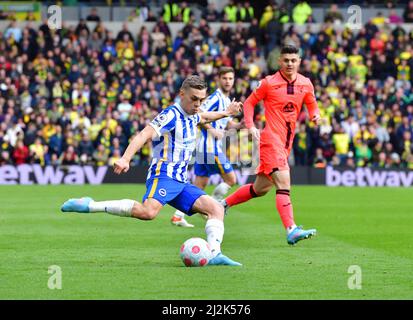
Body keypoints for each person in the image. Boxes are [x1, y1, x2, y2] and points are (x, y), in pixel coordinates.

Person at [61, 75, 242, 266]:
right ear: (182, 94)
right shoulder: (171, 114)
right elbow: (144, 134)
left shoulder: (193, 114)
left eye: (201, 100)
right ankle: (90, 205)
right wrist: (125, 158)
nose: (198, 104)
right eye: (194, 99)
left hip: (180, 181)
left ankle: (214, 254)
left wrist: (226, 113)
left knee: (216, 209)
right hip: (163, 175)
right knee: (148, 212)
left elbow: (204, 116)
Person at [221, 45, 321, 245]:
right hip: (270, 139)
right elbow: (249, 103)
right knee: (284, 183)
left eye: (294, 60)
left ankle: (222, 205)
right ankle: (291, 229)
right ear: (279, 62)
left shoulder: (305, 83)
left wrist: (314, 114)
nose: (290, 64)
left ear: (299, 61)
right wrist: (250, 126)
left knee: (260, 189)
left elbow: (311, 102)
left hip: (286, 142)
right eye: (286, 60)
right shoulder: (268, 83)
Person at [171, 67, 242, 227]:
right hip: (210, 147)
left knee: (199, 185)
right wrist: (212, 130)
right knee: (231, 179)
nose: (228, 81)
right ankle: (216, 206)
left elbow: (225, 122)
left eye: (230, 78)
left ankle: (177, 216)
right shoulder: (216, 97)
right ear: (219, 79)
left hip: (204, 148)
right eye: (225, 78)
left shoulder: (225, 99)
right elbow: (200, 113)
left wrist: (239, 125)